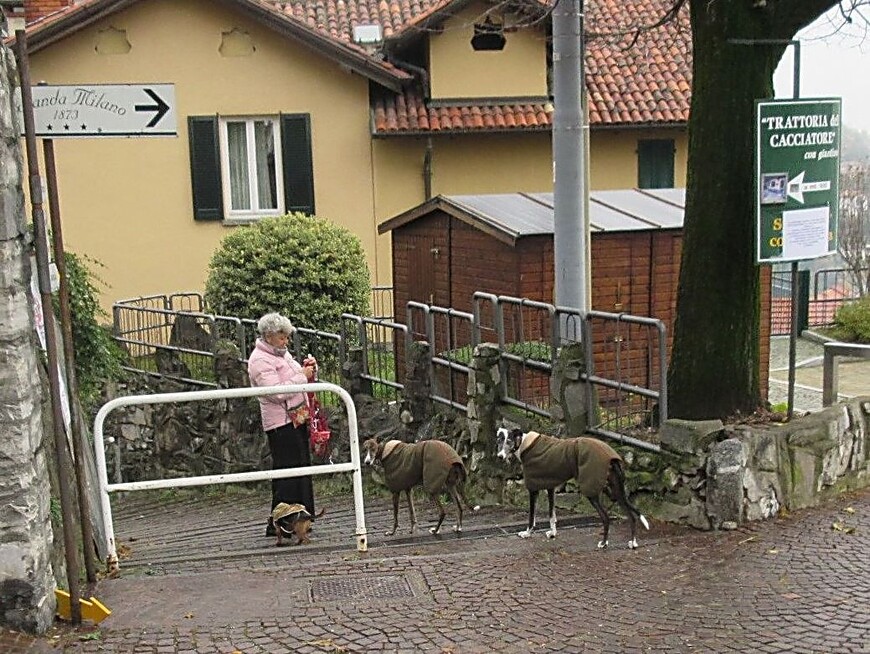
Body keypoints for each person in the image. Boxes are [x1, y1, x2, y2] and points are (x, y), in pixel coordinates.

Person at [247, 312, 317, 536]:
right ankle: (280, 520)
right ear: (269, 336)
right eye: (282, 337)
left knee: (300, 469)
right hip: (280, 423)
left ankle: (301, 517)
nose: (286, 341)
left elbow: (296, 377)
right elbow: (276, 392)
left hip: (296, 418)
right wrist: (302, 377)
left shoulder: (283, 355)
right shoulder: (259, 360)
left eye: (287, 337)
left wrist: (309, 369)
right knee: (286, 473)